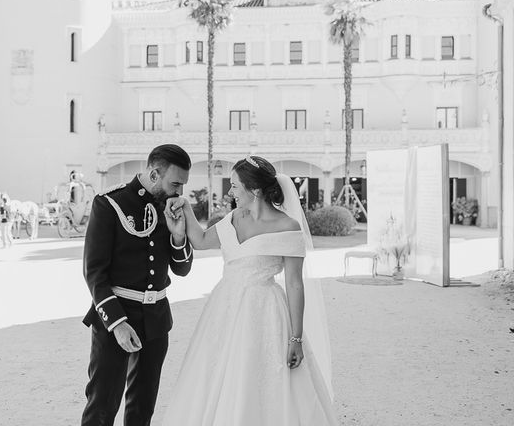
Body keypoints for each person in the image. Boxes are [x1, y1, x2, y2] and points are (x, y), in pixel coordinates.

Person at [162, 155, 338, 425]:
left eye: (234, 186)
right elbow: (199, 241)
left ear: (254, 190)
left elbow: (294, 284)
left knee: (257, 378)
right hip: (224, 307)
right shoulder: (234, 217)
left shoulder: (287, 227)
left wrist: (296, 338)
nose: (230, 192)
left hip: (263, 312)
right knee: (215, 375)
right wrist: (184, 208)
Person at [81, 144, 194, 426]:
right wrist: (117, 323)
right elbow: (94, 272)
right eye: (175, 183)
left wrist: (179, 237)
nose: (179, 192)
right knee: (103, 405)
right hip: (117, 316)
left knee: (143, 407)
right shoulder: (109, 203)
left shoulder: (170, 208)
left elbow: (182, 269)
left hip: (156, 317)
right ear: (155, 174)